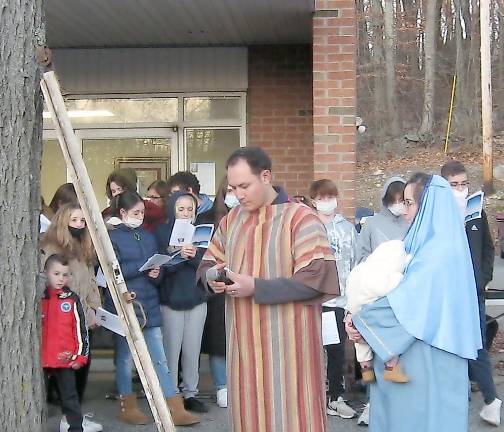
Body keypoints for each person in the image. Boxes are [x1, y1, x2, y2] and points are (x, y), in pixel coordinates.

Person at [197, 147, 339, 432]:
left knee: (295, 418)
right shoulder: (230, 220)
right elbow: (207, 264)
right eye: (233, 187)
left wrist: (256, 287)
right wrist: (212, 277)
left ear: (266, 177)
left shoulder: (301, 218)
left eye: (244, 186)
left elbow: (316, 279)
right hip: (244, 348)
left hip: (290, 348)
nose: (238, 194)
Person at [346, 173, 482, 432]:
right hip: (423, 359)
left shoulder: (437, 255)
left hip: (426, 363)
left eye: (409, 203)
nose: (404, 211)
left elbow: (406, 303)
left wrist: (360, 320)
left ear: (428, 205)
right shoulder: (430, 245)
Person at [105, 191, 199, 426]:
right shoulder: (111, 237)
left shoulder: (147, 236)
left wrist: (157, 272)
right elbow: (112, 272)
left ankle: (174, 407)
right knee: (126, 359)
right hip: (126, 304)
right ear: (123, 213)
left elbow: (159, 268)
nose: (140, 217)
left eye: (142, 213)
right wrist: (142, 268)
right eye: (136, 213)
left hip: (149, 303)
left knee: (160, 359)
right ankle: (128, 405)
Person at [441, 160, 501, 426]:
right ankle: (454, 398)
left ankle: (491, 400)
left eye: (464, 183)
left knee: (476, 343)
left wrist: (484, 278)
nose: (461, 189)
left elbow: (488, 248)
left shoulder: (477, 212)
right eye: (454, 185)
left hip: (473, 291)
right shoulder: (438, 213)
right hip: (446, 291)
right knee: (449, 345)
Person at [41, 203, 103, 432]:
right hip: (62, 319)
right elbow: (51, 283)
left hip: (84, 317)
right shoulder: (51, 248)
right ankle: (70, 418)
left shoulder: (84, 246)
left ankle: (73, 416)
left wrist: (95, 307)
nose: (78, 225)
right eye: (74, 220)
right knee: (66, 374)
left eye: (82, 221)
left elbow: (92, 280)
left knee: (82, 367)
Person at [354, 176, 409, 425]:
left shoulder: (412, 221)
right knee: (374, 350)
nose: (399, 205)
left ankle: (400, 409)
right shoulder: (373, 224)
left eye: (403, 200)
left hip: (404, 294)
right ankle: (371, 404)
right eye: (394, 200)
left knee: (399, 355)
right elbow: (360, 255)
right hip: (376, 295)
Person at [155, 191, 208, 413]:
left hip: (196, 300)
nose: (186, 213)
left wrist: (194, 254)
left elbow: (207, 264)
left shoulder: (202, 233)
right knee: (171, 350)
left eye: (190, 209)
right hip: (171, 299)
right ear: (172, 210)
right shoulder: (161, 232)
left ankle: (190, 393)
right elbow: (158, 267)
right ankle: (171, 394)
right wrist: (176, 254)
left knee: (192, 349)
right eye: (181, 209)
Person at [309, 179, 357, 419]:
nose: (327, 202)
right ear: (314, 200)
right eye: (322, 198)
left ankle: (335, 396)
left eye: (331, 197)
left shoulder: (347, 228)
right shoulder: (308, 227)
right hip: (316, 300)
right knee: (315, 351)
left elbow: (355, 262)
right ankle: (315, 396)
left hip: (340, 300)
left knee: (337, 350)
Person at [198, 178, 239, 408]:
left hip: (245, 286)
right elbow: (201, 257)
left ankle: (239, 384)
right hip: (217, 287)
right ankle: (222, 386)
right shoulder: (207, 219)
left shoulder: (251, 217)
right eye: (229, 191)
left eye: (237, 190)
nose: (233, 195)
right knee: (218, 340)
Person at [346, 240, 411, 384]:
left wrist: (349, 313)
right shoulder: (379, 275)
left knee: (361, 347)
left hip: (354, 313)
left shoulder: (360, 270)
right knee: (389, 343)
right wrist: (400, 276)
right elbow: (388, 287)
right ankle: (392, 369)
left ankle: (366, 372)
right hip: (370, 317)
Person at [42, 254, 89, 432]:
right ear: (45, 273)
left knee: (69, 397)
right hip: (42, 358)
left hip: (64, 358)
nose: (61, 278)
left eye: (65, 274)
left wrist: (80, 356)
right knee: (40, 397)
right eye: (56, 274)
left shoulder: (71, 298)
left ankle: (76, 427)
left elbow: (80, 329)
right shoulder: (39, 296)